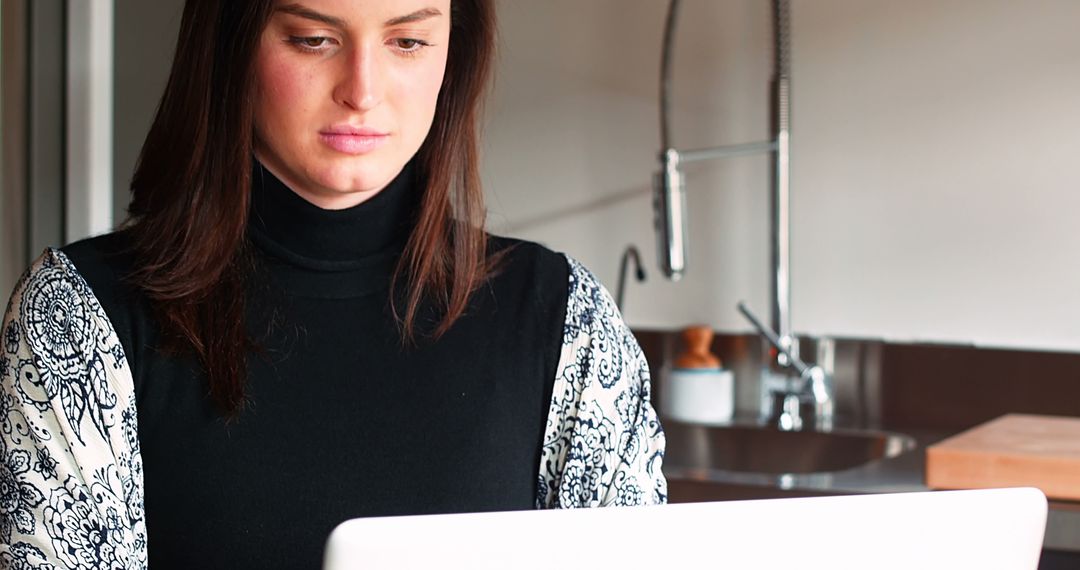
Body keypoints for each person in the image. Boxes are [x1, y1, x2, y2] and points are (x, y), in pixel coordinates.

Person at [0, 0, 666, 567]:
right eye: (313, 40)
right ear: (233, 45)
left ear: (451, 54)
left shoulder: (566, 321)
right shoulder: (77, 320)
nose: (363, 89)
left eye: (408, 41)